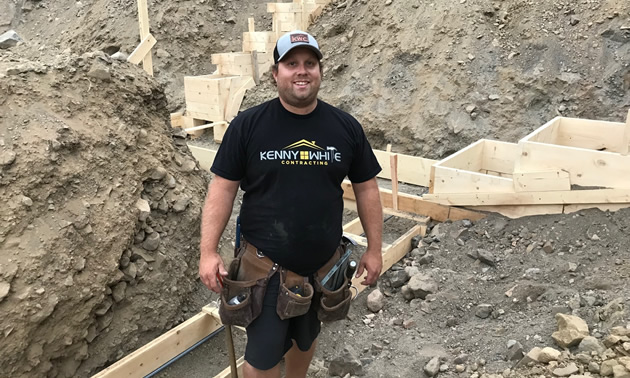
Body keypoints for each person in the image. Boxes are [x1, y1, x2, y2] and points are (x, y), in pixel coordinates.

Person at [199, 30, 383, 378]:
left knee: (306, 336)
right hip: (265, 269)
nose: (302, 71)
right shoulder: (248, 126)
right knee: (263, 359)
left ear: (320, 72)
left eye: (310, 64)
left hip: (323, 266)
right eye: (291, 64)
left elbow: (367, 188)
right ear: (275, 74)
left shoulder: (345, 128)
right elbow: (222, 190)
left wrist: (374, 248)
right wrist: (208, 251)